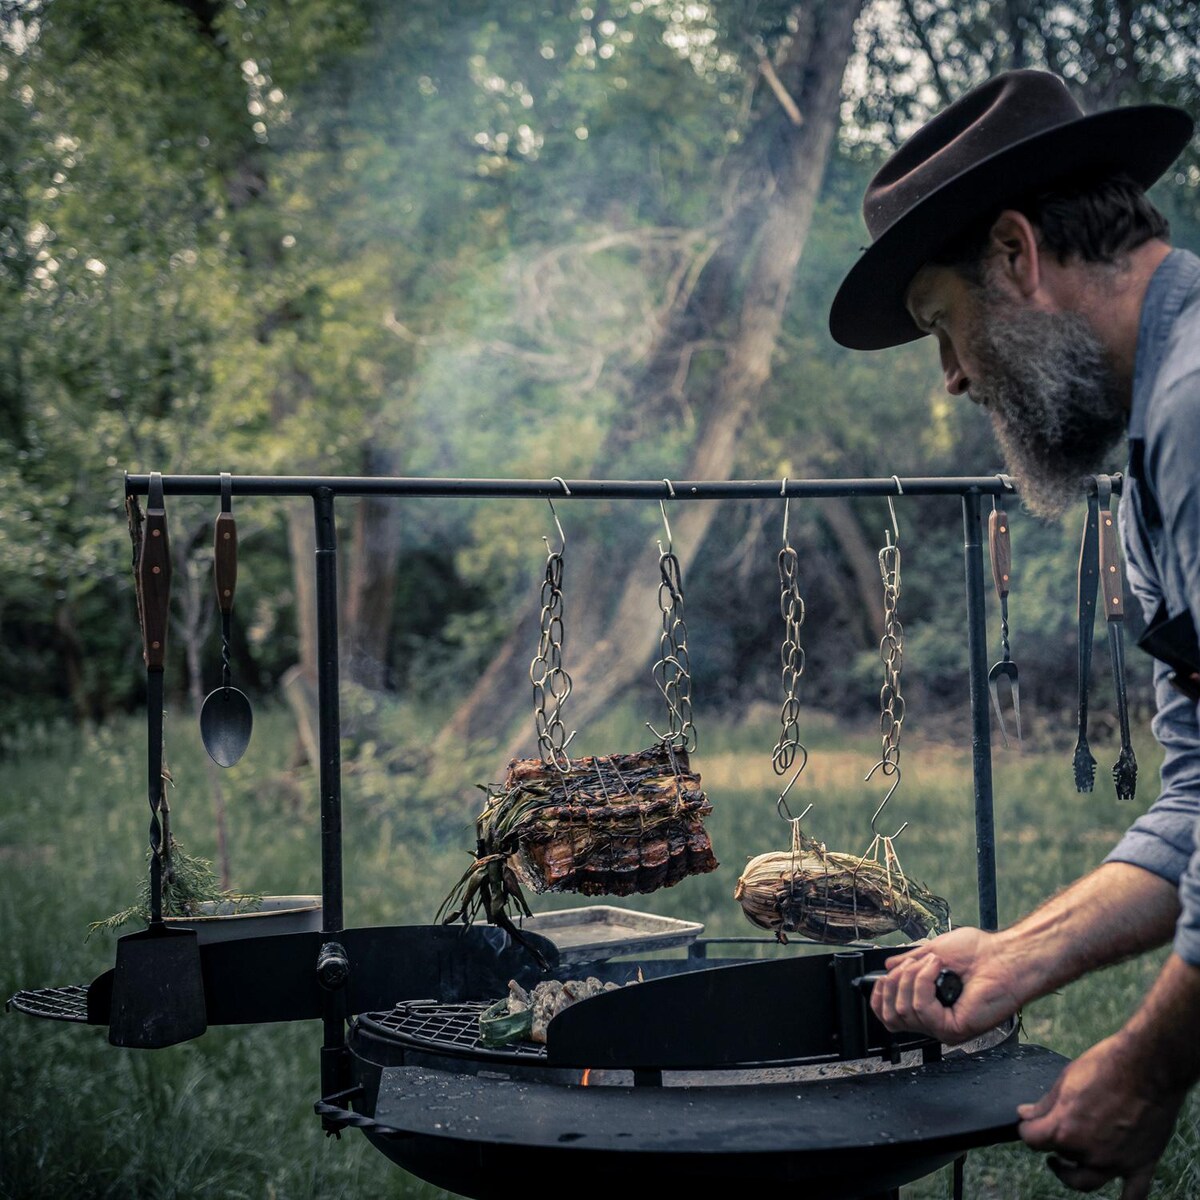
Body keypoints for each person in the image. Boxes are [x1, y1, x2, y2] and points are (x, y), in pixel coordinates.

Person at [828, 69, 1198, 1199]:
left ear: (1017, 256)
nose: (949, 377)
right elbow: (1199, 798)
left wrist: (1148, 1067)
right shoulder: (1150, 445)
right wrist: (1021, 955)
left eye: (944, 322)